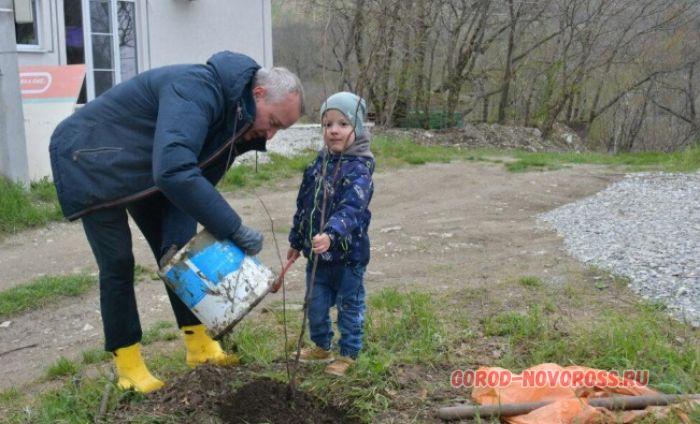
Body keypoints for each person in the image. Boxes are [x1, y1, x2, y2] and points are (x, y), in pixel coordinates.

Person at [49, 51, 304, 393]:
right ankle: (129, 367)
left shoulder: (235, 122)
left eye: (279, 129)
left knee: (180, 249)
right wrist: (233, 227)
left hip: (145, 166)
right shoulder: (197, 89)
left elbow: (191, 185)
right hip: (88, 156)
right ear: (258, 94)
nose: (269, 135)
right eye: (273, 122)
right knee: (118, 262)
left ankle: (199, 346)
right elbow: (173, 170)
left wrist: (182, 243)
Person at [287, 92, 374, 376]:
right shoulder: (318, 164)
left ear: (356, 128)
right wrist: (297, 240)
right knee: (315, 304)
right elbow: (305, 204)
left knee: (349, 306)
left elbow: (352, 209)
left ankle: (348, 353)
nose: (334, 130)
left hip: (348, 257)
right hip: (317, 256)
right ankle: (321, 346)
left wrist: (331, 234)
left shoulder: (359, 168)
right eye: (327, 124)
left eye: (343, 124)